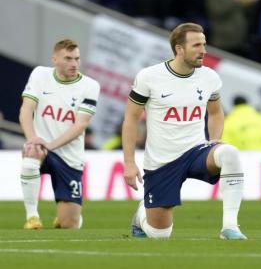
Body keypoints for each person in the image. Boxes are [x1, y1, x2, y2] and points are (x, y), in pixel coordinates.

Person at [122, 23, 247, 240]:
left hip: (196, 151)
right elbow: (131, 119)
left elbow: (216, 112)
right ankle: (141, 215)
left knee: (229, 153)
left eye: (204, 44)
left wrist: (215, 140)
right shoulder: (149, 77)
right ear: (179, 49)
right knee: (159, 234)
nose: (204, 50)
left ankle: (230, 227)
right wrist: (129, 162)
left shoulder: (209, 77)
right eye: (197, 45)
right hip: (162, 161)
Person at [19, 39, 100, 229]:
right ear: (55, 59)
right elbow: (26, 110)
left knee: (69, 225)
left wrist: (51, 144)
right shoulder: (40, 74)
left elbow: (80, 125)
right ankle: (32, 217)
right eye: (68, 58)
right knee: (31, 151)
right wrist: (33, 139)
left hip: (69, 157)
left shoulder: (90, 86)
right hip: (41, 147)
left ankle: (69, 216)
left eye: (77, 59)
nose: (74, 64)